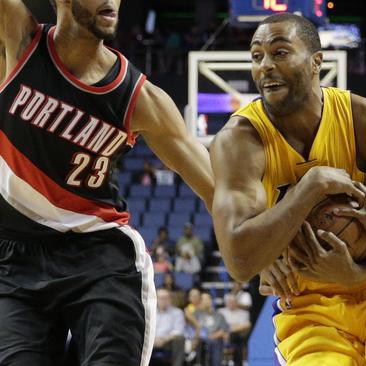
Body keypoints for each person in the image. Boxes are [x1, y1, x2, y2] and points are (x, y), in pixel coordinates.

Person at [209, 13, 366, 365]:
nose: (265, 66)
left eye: (280, 52)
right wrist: (309, 189)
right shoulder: (239, 141)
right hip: (307, 300)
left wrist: (358, 273)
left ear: (317, 61)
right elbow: (239, 263)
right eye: (257, 56)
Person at [0, 1, 214, 364]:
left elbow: (216, 190)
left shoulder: (140, 98)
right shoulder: (18, 41)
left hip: (100, 257)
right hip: (15, 258)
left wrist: (272, 251)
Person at [153, 289, 186, 366]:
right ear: (156, 299)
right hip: (152, 341)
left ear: (170, 299)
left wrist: (164, 339)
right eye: (161, 298)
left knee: (180, 339)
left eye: (166, 298)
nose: (164, 300)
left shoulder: (177, 312)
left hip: (168, 342)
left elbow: (178, 331)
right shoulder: (151, 312)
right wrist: (154, 339)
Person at [194, 293, 229, 366]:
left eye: (207, 299)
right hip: (201, 340)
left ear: (211, 301)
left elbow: (223, 330)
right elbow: (194, 327)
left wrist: (212, 336)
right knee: (203, 343)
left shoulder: (219, 315)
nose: (205, 301)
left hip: (215, 339)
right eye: (203, 300)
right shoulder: (197, 314)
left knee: (214, 342)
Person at [218, 294, 251, 366]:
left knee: (235, 337)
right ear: (226, 302)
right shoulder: (221, 312)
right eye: (229, 301)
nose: (231, 303)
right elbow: (218, 326)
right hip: (222, 335)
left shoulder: (244, 313)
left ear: (237, 302)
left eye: (233, 301)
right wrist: (232, 328)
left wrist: (230, 329)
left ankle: (237, 362)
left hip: (238, 336)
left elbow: (247, 325)